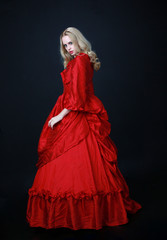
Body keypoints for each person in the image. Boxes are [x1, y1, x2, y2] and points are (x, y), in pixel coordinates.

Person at [26, 27, 142, 230]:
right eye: (65, 45)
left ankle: (79, 215)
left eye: (70, 43)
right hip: (77, 110)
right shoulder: (81, 60)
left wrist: (59, 116)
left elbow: (78, 98)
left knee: (76, 165)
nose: (68, 48)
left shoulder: (80, 61)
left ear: (79, 41)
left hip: (77, 113)